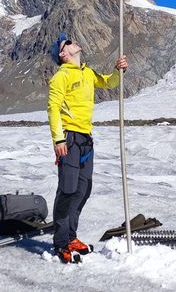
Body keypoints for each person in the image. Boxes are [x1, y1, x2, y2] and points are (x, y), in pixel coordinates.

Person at [47, 32, 128, 263]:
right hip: (69, 139)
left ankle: (71, 236)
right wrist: (58, 139)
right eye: (68, 42)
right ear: (63, 54)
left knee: (83, 190)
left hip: (86, 139)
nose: (74, 42)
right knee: (68, 189)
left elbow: (108, 82)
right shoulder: (61, 77)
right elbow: (53, 108)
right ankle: (61, 242)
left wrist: (118, 70)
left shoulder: (87, 72)